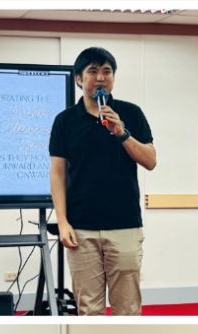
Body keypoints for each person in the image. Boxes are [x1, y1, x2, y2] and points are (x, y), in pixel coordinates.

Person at [49, 46, 156, 316]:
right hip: (81, 229)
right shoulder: (65, 121)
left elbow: (150, 160)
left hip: (124, 226)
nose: (100, 78)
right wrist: (62, 222)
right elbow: (57, 173)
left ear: (113, 78)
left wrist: (122, 133)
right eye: (93, 71)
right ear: (78, 79)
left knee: (128, 308)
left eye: (107, 72)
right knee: (89, 309)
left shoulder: (130, 113)